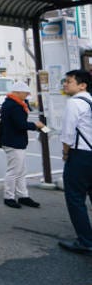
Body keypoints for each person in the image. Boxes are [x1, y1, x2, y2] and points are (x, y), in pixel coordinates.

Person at [58, 69, 92, 255]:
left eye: (68, 81)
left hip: (80, 156)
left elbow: (68, 134)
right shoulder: (91, 101)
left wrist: (65, 153)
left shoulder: (74, 103)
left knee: (75, 199)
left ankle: (85, 241)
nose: (65, 84)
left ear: (82, 85)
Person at [0, 80, 44, 208]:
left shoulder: (13, 103)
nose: (27, 96)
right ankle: (9, 197)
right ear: (18, 92)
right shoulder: (14, 105)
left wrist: (25, 104)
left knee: (20, 170)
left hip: (14, 141)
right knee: (14, 171)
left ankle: (23, 195)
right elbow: (21, 125)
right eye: (25, 93)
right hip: (14, 142)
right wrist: (36, 125)